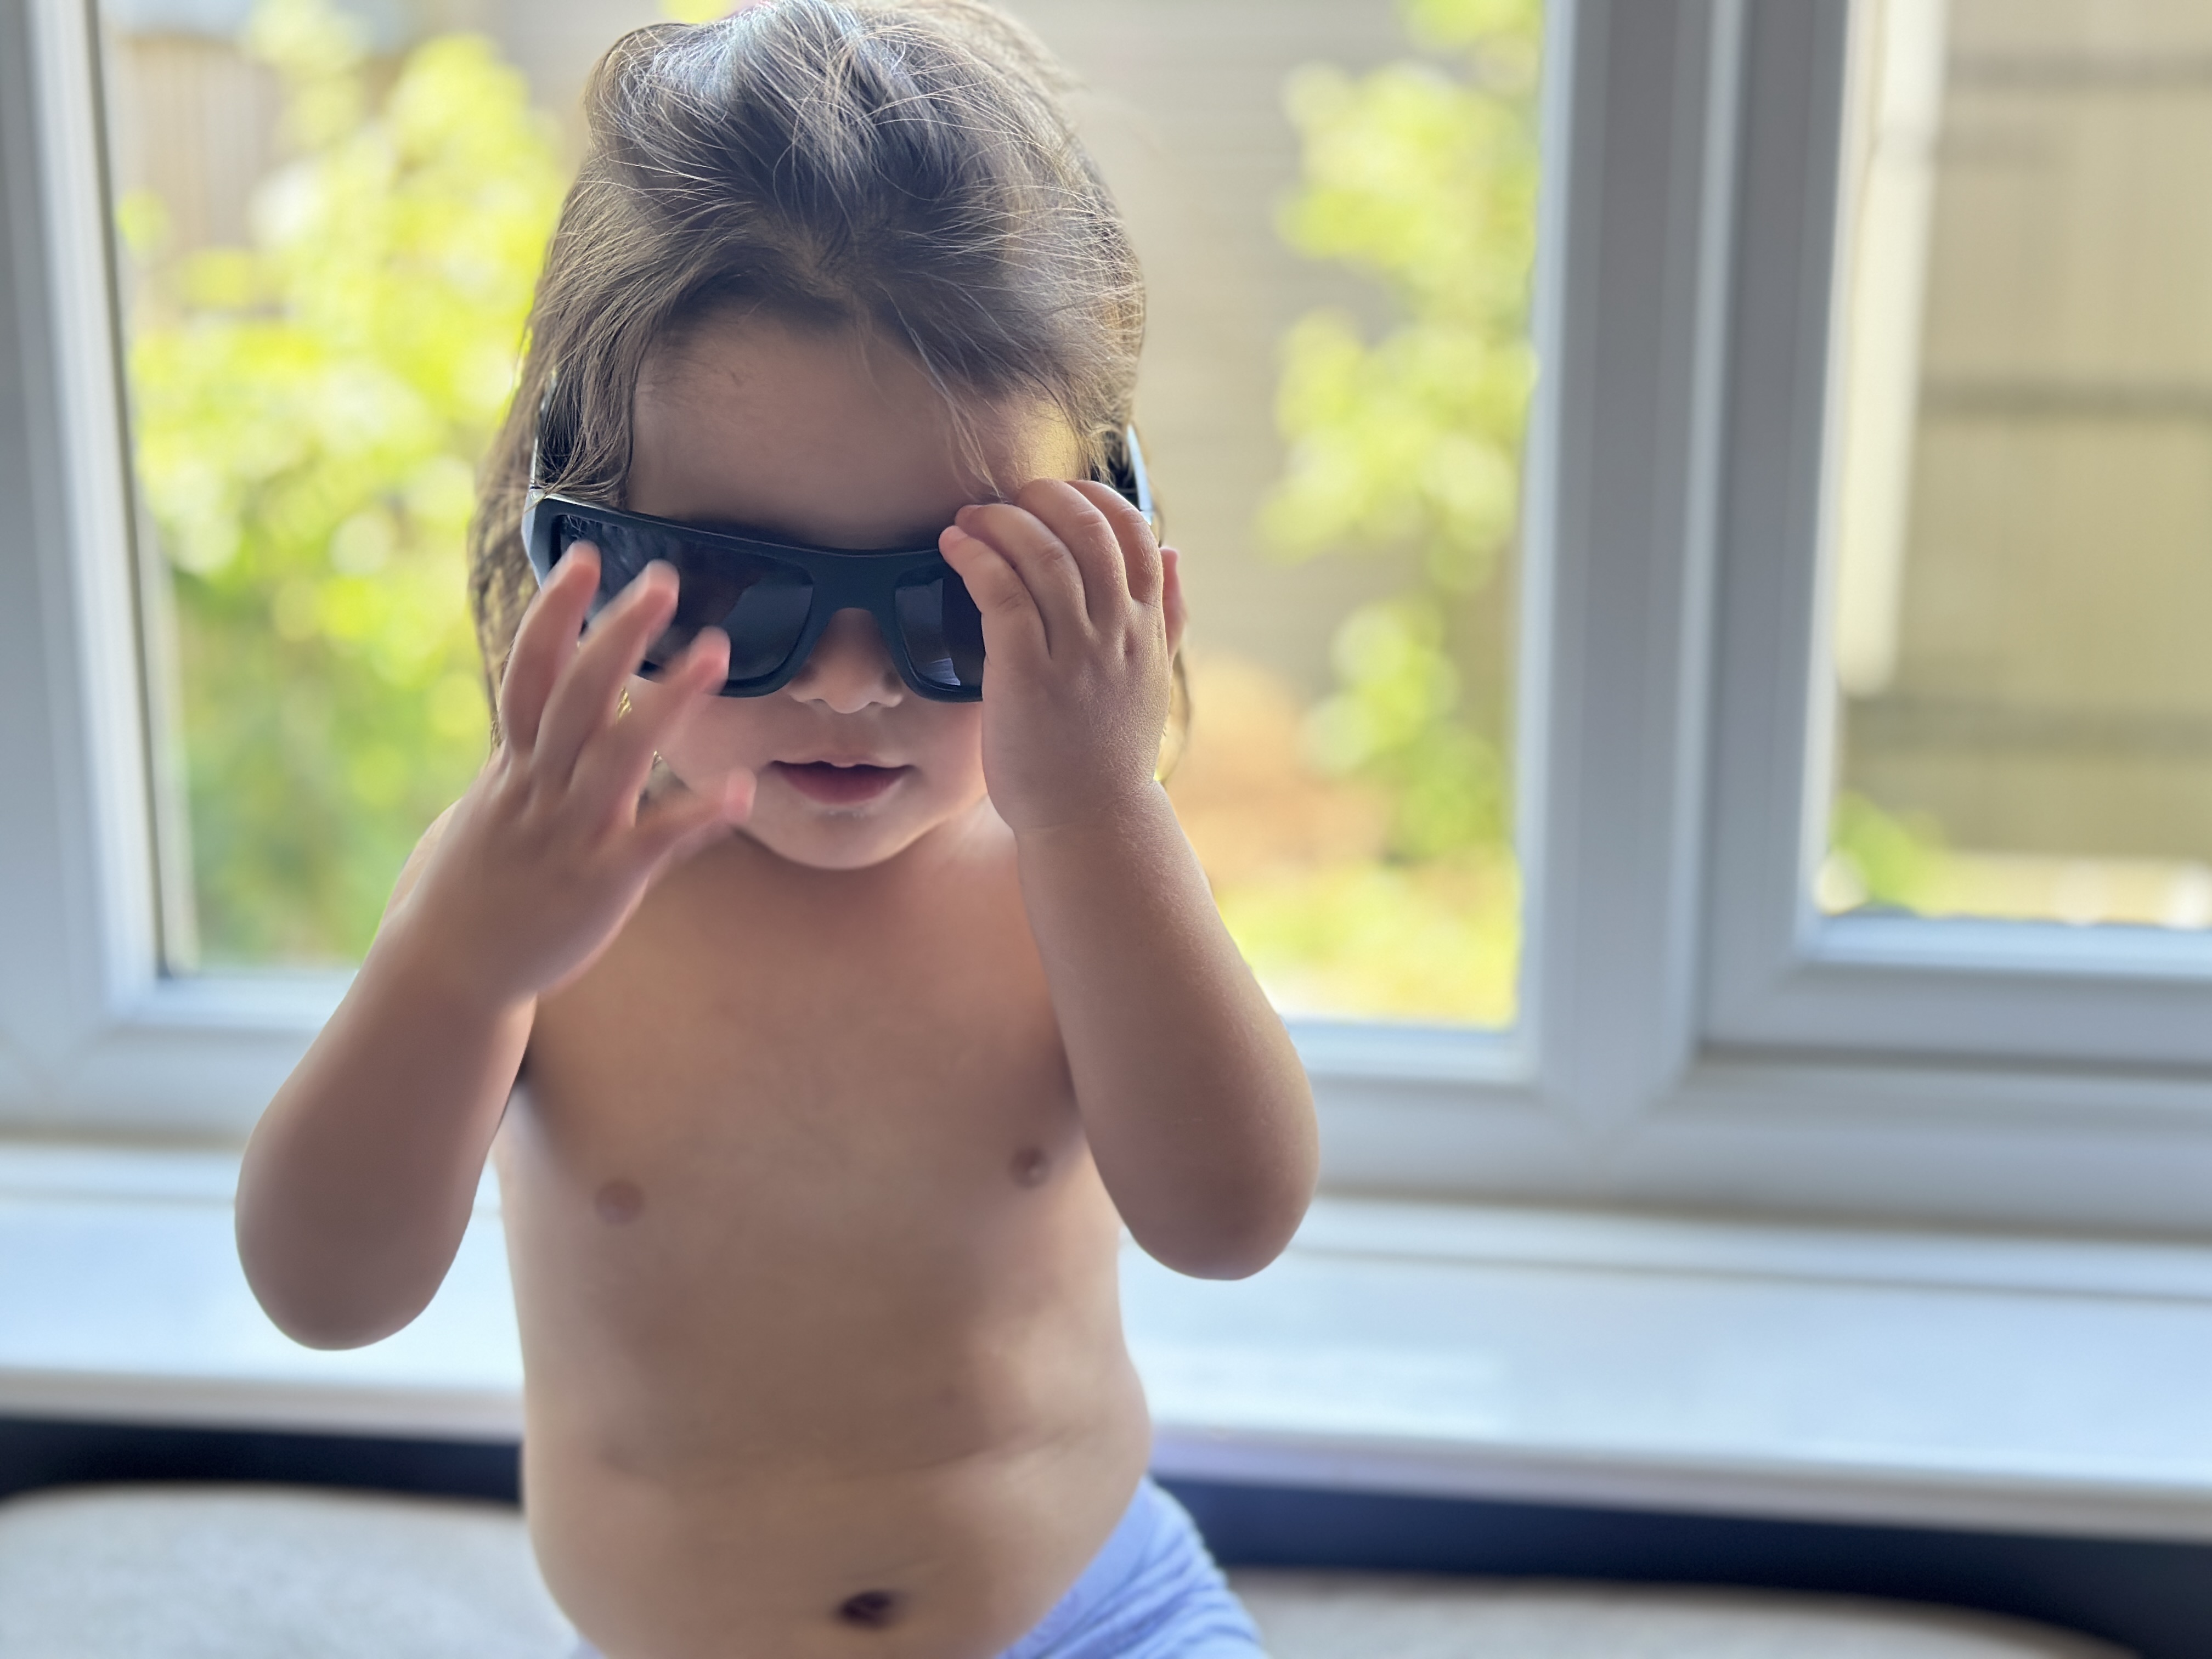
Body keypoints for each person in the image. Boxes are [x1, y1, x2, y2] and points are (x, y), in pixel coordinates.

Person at [234, 2, 1318, 1654]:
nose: (853, 682)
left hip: (1098, 1616)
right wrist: (457, 974)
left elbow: (1232, 1222)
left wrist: (1103, 806)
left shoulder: (1075, 866)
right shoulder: (533, 897)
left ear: (1105, 560)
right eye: (740, 591)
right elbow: (324, 1293)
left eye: (957, 597)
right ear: (571, 547)